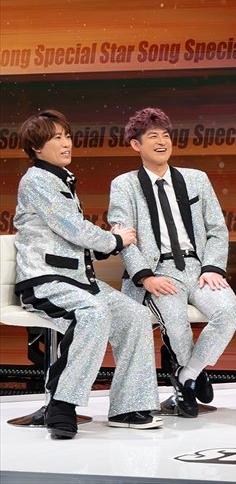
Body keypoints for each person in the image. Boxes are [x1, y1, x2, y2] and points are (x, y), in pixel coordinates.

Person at [13, 110, 162, 439]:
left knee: (135, 316)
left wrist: (103, 246)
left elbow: (69, 238)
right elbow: (71, 228)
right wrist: (115, 240)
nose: (66, 143)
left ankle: (128, 406)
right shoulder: (36, 179)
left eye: (67, 136)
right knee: (92, 313)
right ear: (36, 147)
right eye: (56, 138)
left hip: (78, 280)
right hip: (45, 280)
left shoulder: (61, 178)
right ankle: (62, 403)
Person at [109, 108, 236, 418]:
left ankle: (188, 375)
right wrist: (145, 277)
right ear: (136, 145)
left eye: (166, 136)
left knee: (229, 313)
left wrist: (212, 267)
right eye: (153, 136)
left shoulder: (197, 179)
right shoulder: (124, 185)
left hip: (199, 268)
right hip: (159, 272)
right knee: (176, 323)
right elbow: (123, 237)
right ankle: (192, 379)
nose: (162, 142)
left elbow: (217, 229)